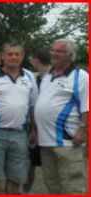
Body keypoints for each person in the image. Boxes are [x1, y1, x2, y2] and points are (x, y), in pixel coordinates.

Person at [0, 41, 36, 194]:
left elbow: (33, 106)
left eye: (17, 54)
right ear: (3, 56)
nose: (13, 57)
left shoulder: (30, 76)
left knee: (16, 176)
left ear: (22, 56)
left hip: (20, 133)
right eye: (10, 54)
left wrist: (33, 130)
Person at [33, 38, 88, 194]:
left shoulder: (80, 76)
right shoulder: (47, 77)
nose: (54, 54)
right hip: (46, 142)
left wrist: (82, 130)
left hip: (68, 141)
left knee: (73, 186)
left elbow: (87, 107)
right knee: (52, 185)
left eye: (59, 51)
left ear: (70, 55)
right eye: (53, 50)